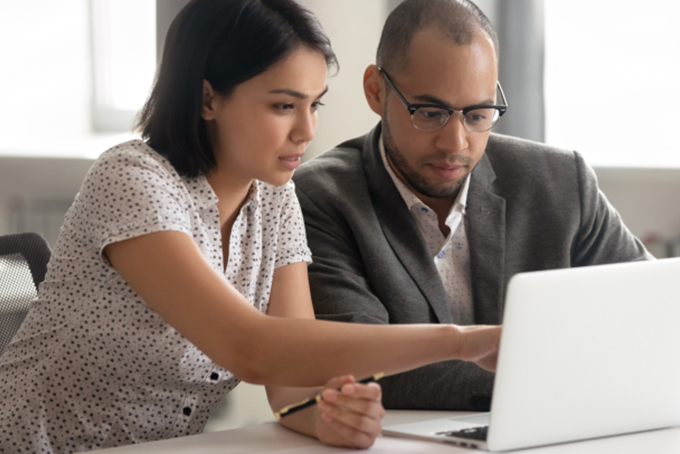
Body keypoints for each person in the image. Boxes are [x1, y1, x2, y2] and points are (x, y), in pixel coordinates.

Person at [0, 0, 503, 452]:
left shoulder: (275, 197)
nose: (307, 131)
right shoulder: (132, 180)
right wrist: (459, 341)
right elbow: (253, 349)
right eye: (283, 105)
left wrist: (326, 417)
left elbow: (292, 376)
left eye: (314, 104)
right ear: (207, 99)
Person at [293, 0, 652, 412]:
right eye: (429, 113)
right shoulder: (321, 198)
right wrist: (563, 373)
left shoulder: (562, 182)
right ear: (376, 91)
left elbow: (647, 316)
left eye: (478, 114)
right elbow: (355, 365)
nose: (456, 143)